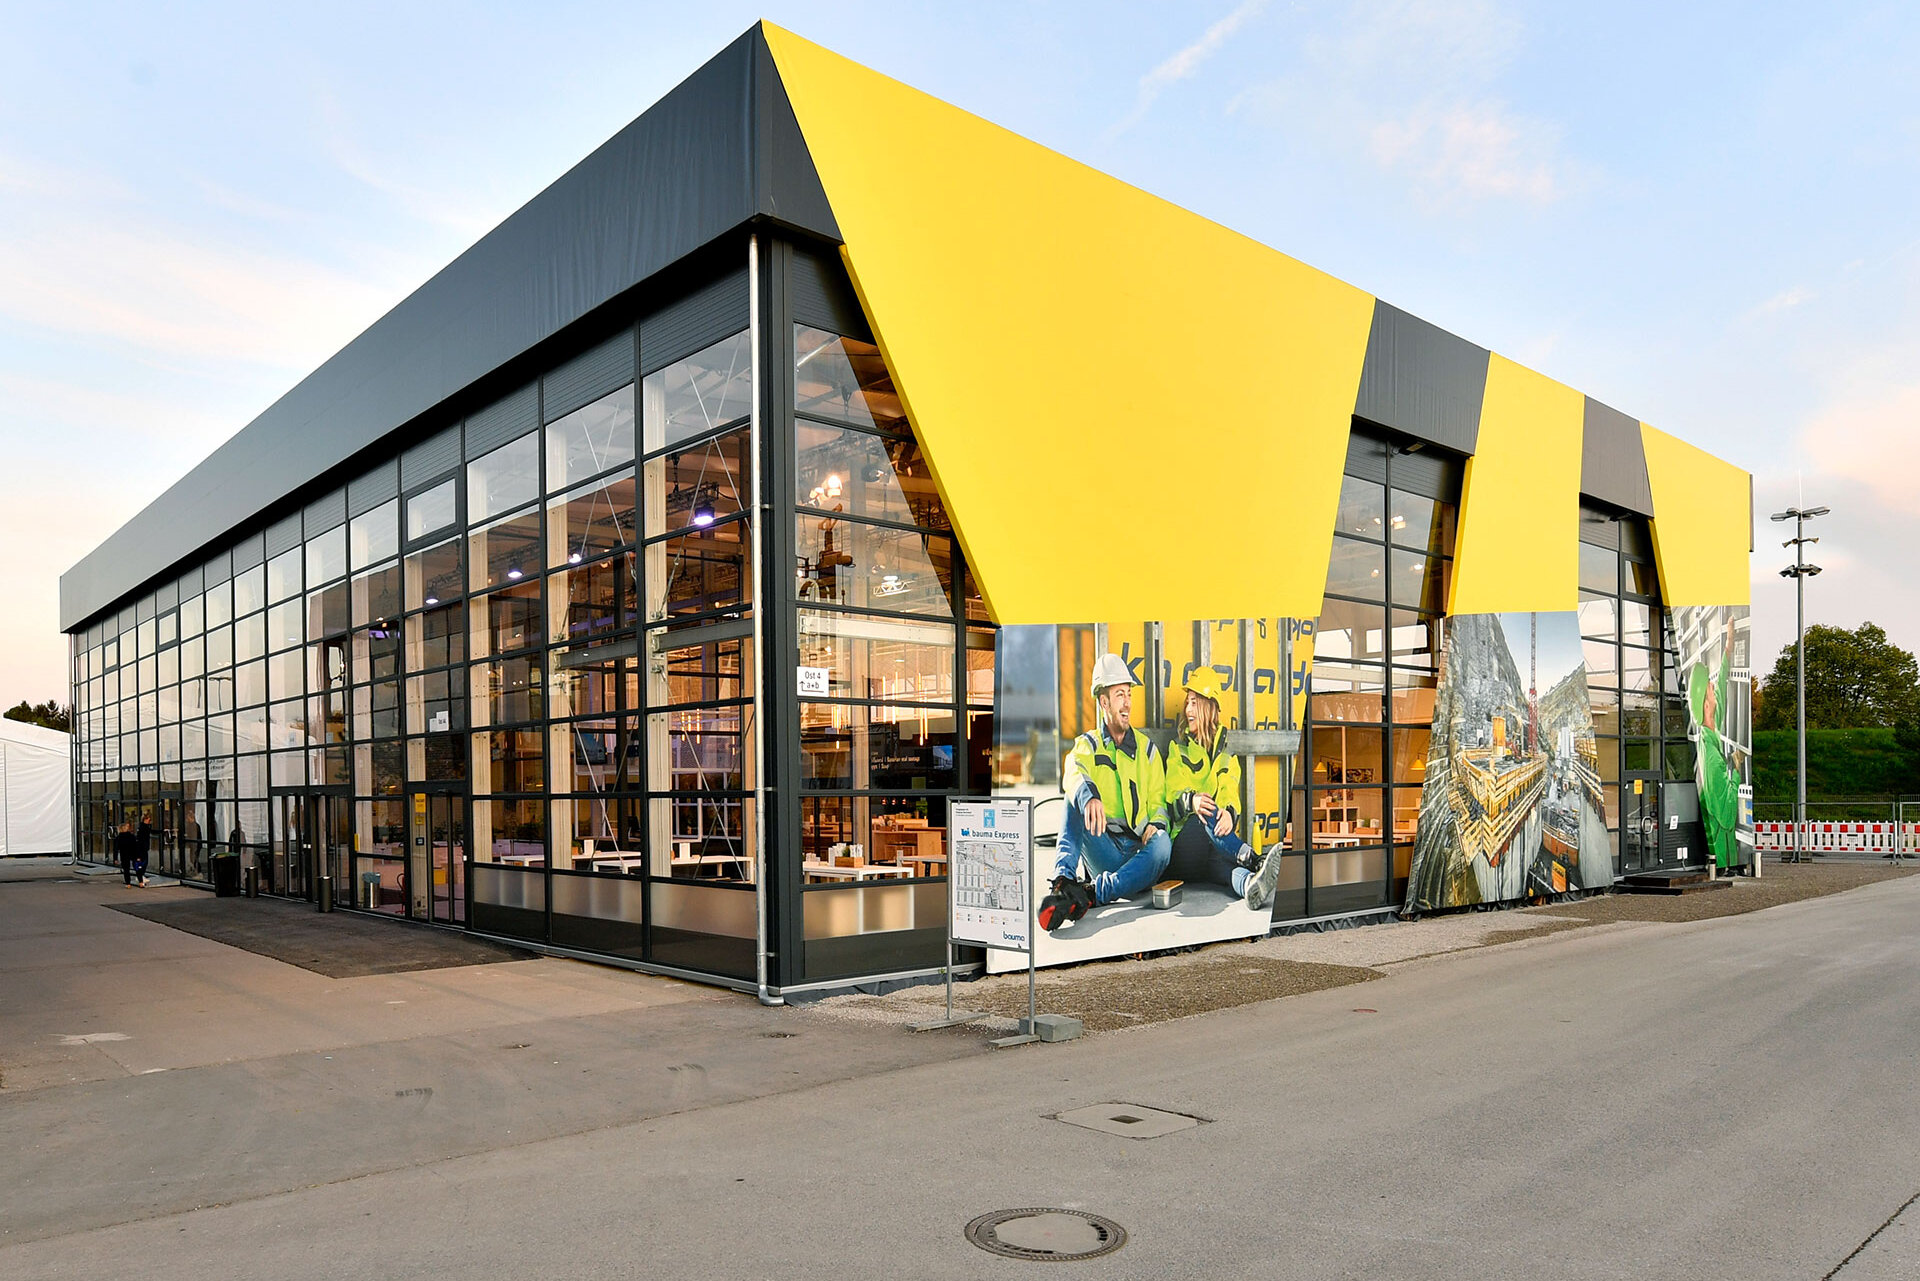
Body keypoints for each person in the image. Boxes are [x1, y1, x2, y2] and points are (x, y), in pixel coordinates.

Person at [1039, 654, 1170, 932]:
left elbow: (1159, 801)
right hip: (1105, 851)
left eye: (1129, 694)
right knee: (1074, 794)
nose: (1127, 702)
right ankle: (1063, 884)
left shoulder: (1147, 750)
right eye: (1120, 694)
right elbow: (1074, 768)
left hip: (1138, 856)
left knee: (1163, 844)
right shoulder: (1089, 744)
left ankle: (1089, 894)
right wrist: (1088, 796)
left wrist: (1157, 824)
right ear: (1104, 702)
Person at [1163, 670, 1287, 910]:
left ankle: (1250, 884)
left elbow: (1229, 786)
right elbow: (1172, 793)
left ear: (1208, 708)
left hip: (1213, 846)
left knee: (1223, 868)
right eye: (1187, 703)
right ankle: (1253, 858)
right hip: (1183, 849)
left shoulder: (1226, 753)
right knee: (1205, 808)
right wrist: (1192, 801)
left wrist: (1229, 813)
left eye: (1194, 703)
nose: (1188, 710)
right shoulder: (1177, 749)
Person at [114, 821, 141, 888]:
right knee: (137, 868)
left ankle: (128, 883)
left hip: (124, 855)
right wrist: (138, 856)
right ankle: (141, 882)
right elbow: (136, 846)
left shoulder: (118, 838)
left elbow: (116, 849)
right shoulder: (131, 836)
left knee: (126, 869)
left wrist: (115, 858)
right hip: (133, 853)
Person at [134, 811, 154, 888]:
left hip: (142, 847)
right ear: (146, 819)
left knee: (143, 862)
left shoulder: (142, 826)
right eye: (149, 819)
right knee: (143, 863)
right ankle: (140, 876)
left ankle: (140, 876)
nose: (150, 821)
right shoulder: (144, 827)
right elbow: (142, 839)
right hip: (142, 848)